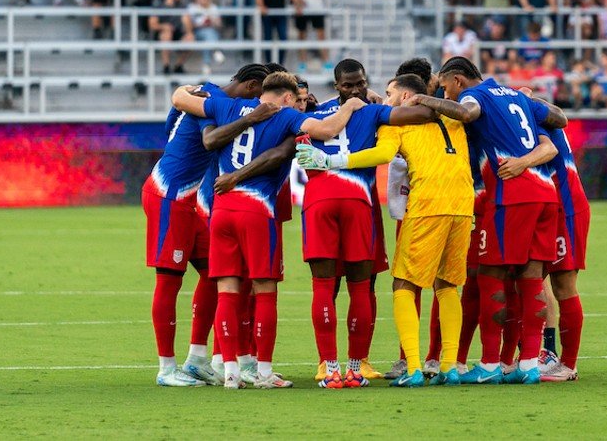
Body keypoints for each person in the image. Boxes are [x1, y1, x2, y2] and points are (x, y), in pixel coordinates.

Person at [171, 71, 367, 390]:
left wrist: (189, 88)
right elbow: (328, 128)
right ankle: (263, 373)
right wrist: (350, 107)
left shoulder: (227, 107)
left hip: (221, 209)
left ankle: (231, 373)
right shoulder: (287, 115)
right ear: (288, 97)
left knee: (227, 291)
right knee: (264, 292)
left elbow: (179, 99)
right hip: (257, 210)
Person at [298, 71, 474, 388]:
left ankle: (415, 368)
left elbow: (381, 154)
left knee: (404, 284)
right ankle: (449, 366)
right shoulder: (453, 118)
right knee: (447, 286)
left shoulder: (396, 122)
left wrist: (332, 162)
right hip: (463, 206)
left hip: (427, 206)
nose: (385, 97)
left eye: (390, 92)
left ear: (406, 96)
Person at [403, 56, 567, 385]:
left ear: (459, 80)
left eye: (446, 87)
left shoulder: (475, 96)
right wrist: (530, 98)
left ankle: (490, 363)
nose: (446, 94)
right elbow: (560, 118)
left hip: (510, 196)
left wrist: (424, 98)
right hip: (545, 193)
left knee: (489, 276)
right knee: (531, 279)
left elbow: (466, 114)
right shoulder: (516, 95)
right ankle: (529, 364)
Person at [142, 64, 275, 387]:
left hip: (188, 200)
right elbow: (209, 141)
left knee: (213, 271)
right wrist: (249, 119)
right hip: (168, 194)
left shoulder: (202, 93)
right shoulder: (212, 102)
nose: (257, 105)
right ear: (251, 86)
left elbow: (172, 121)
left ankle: (197, 359)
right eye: (258, 97)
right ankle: (166, 368)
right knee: (169, 279)